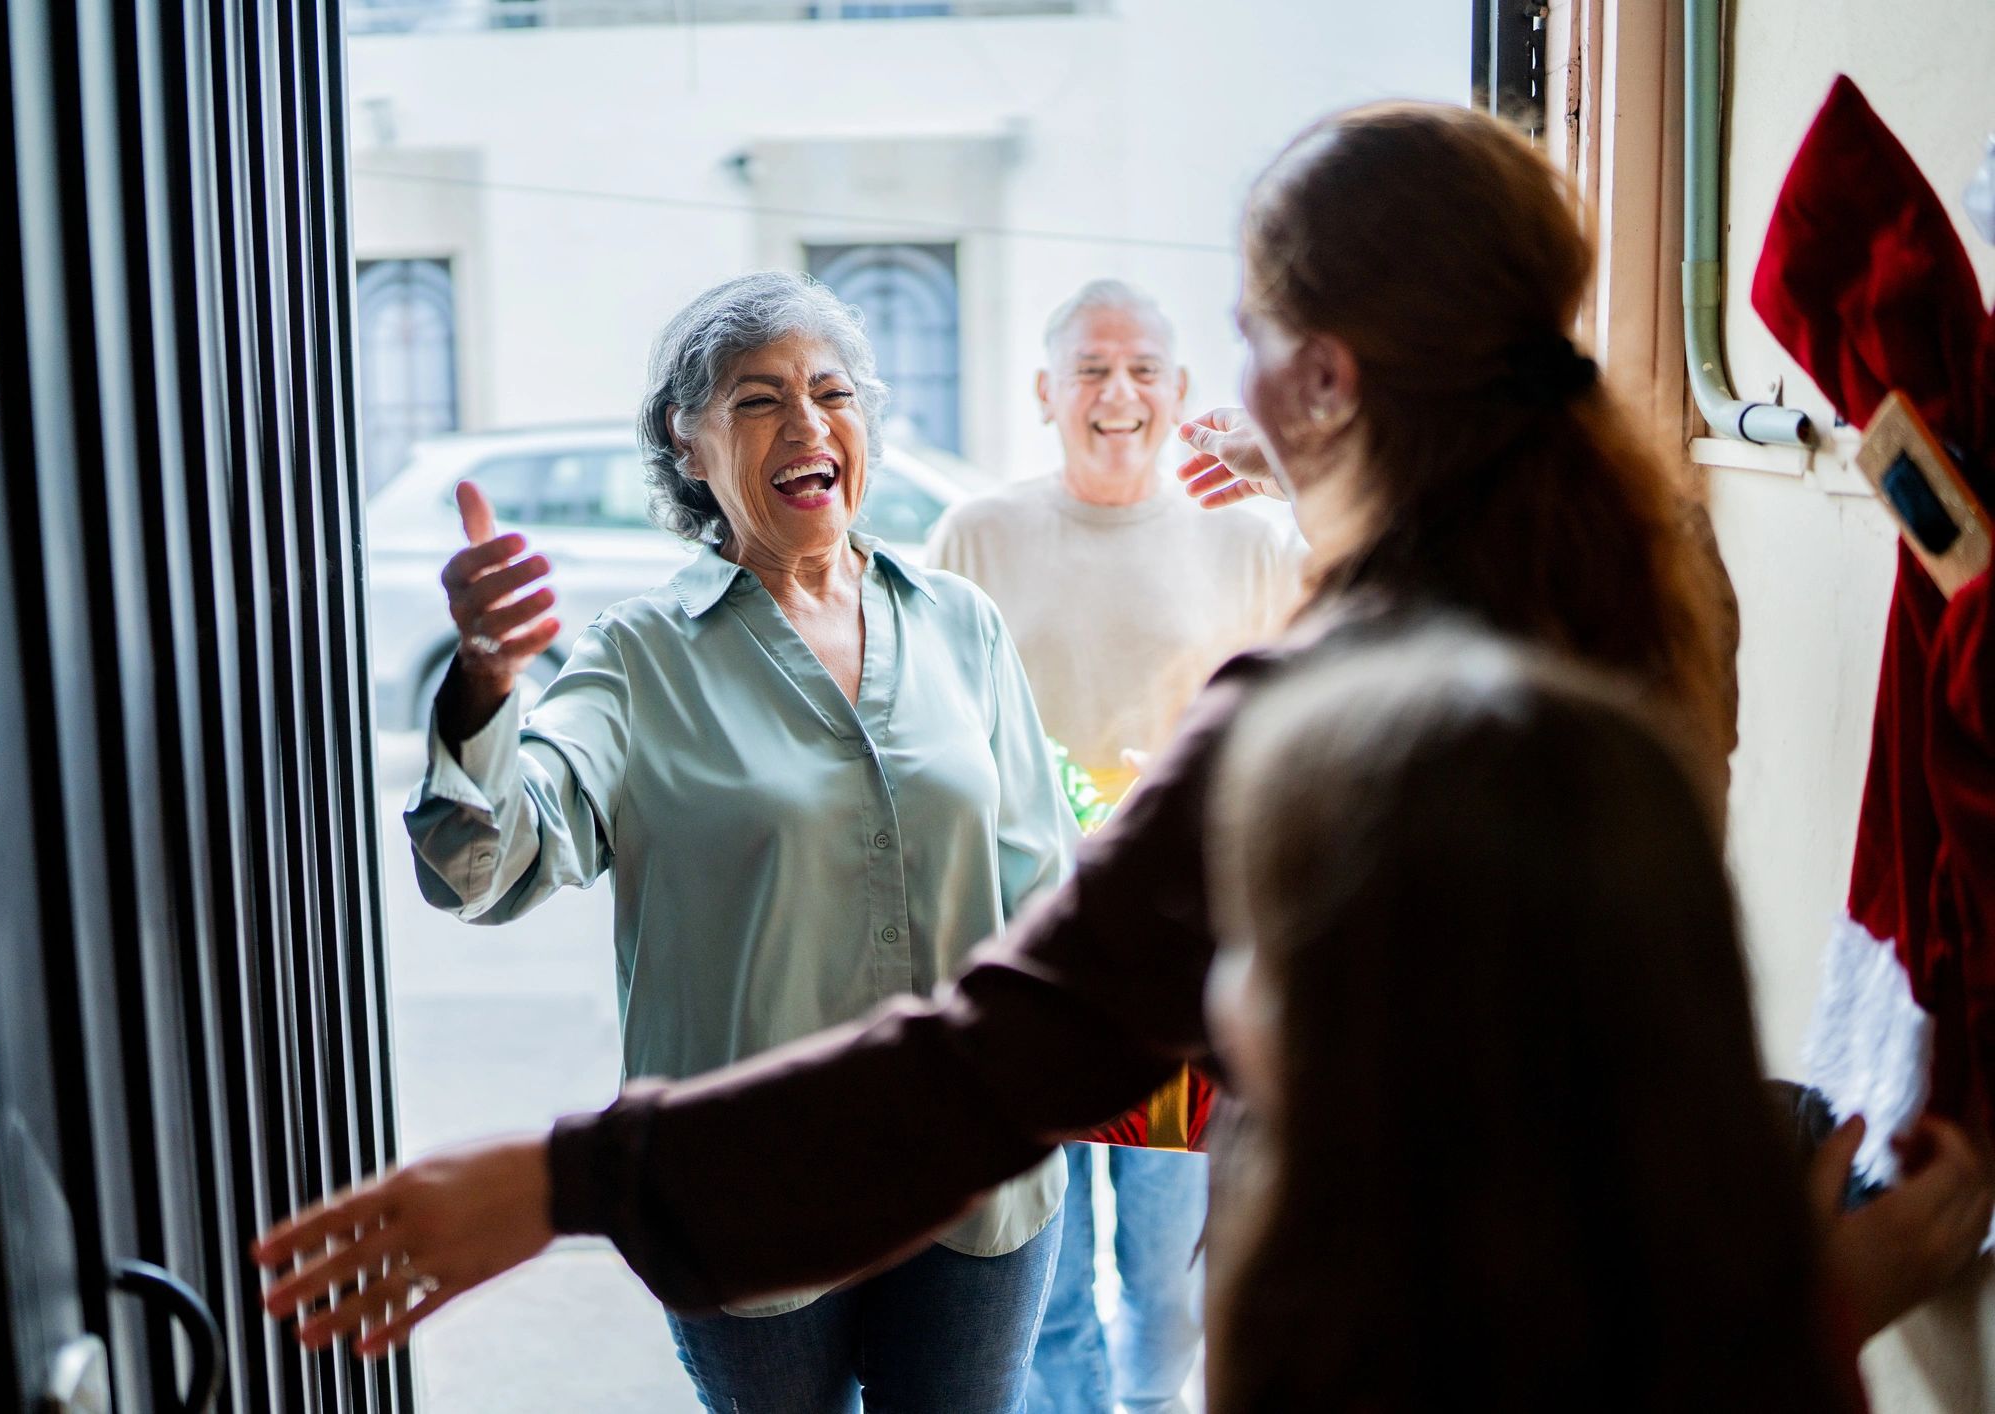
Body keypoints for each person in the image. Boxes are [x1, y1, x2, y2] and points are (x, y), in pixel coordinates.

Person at [253, 102, 1992, 1374]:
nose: (1186, 398)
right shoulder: (1660, 600)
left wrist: (562, 1176)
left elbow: (990, 1052)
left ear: (1316, 377)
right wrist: (1812, 1297)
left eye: (1229, 342)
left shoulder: (1305, 718)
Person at [368, 270, 1077, 1412]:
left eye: (830, 392)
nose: (806, 425)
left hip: (973, 1179)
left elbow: (1044, 892)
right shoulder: (640, 657)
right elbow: (480, 868)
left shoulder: (959, 624)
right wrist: (485, 683)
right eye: (757, 401)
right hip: (748, 1188)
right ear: (686, 446)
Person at [1202, 627, 1859, 1411]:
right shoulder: (1708, 1284)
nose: (1220, 984)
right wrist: (1820, 1314)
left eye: (1255, 940)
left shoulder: (1327, 1322)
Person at [926, 278, 1295, 1414]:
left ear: (1181, 391)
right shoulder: (974, 534)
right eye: (1090, 369)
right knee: (1037, 1275)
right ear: (1044, 392)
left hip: (1185, 972)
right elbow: (927, 726)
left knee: (1166, 1264)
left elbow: (1299, 726)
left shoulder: (1244, 539)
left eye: (1142, 370)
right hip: (1025, 951)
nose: (1117, 394)